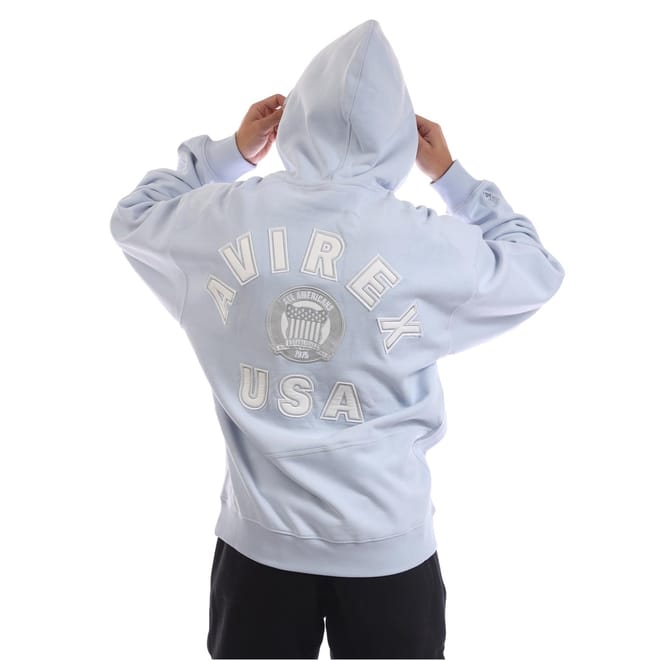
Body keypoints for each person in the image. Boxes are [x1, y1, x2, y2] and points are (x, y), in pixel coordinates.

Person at [109, 18, 565, 660]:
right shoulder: (428, 244)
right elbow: (535, 269)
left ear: (293, 121)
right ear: (399, 135)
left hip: (258, 546)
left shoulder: (221, 222)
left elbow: (133, 215)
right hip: (388, 546)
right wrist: (451, 176)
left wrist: (229, 154)